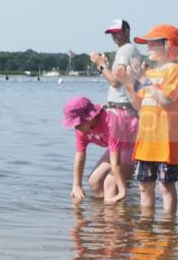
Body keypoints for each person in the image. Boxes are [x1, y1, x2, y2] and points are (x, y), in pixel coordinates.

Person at [116, 24, 178, 215]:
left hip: (167, 141)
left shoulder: (173, 71)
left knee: (166, 187)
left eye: (152, 44)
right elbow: (138, 106)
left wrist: (143, 80)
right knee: (144, 187)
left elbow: (167, 101)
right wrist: (128, 84)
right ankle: (146, 229)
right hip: (146, 142)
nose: (148, 47)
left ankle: (168, 230)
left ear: (168, 46)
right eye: (147, 44)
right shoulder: (149, 74)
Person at [62, 96, 136, 204]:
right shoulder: (81, 130)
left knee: (110, 183)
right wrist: (77, 185)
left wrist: (122, 191)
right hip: (117, 147)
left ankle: (113, 212)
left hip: (135, 142)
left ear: (89, 117)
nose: (75, 127)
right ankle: (111, 210)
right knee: (94, 181)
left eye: (77, 123)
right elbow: (80, 158)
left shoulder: (110, 121)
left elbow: (115, 163)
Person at [90, 19, 142, 118]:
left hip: (122, 105)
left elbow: (114, 82)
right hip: (125, 105)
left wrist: (100, 64)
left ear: (127, 32)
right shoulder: (127, 49)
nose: (114, 35)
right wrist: (104, 68)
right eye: (112, 33)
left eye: (117, 32)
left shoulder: (125, 49)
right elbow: (115, 79)